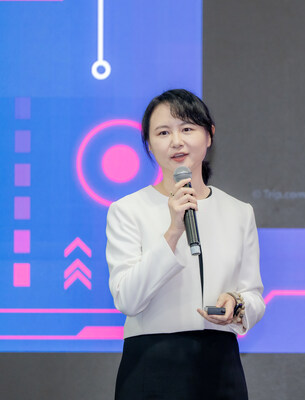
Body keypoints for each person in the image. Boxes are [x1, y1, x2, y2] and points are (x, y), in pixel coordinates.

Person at [106, 89, 265, 399]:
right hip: (152, 363)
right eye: (163, 133)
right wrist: (173, 231)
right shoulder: (127, 210)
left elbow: (254, 295)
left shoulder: (239, 211)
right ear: (149, 144)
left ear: (209, 135)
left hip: (221, 365)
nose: (176, 141)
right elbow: (127, 299)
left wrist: (237, 304)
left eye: (187, 129)